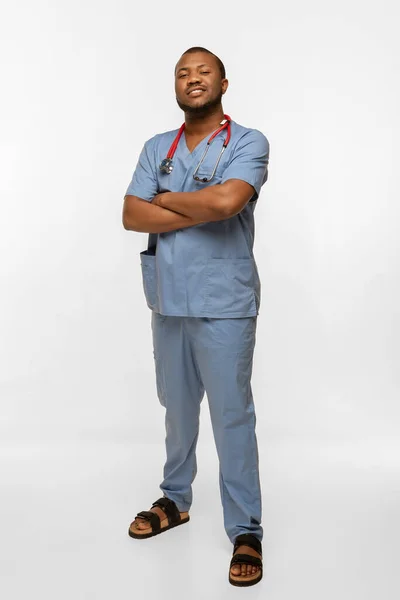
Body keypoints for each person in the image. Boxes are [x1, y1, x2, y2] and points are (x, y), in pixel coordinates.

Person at [122, 46, 269, 587]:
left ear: (224, 83)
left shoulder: (248, 142)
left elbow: (228, 202)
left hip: (224, 301)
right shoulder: (156, 147)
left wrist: (168, 200)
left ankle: (246, 528)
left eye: (203, 71)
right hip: (169, 300)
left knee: (231, 416)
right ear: (175, 87)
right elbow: (131, 213)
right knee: (177, 411)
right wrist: (194, 202)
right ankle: (176, 499)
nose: (193, 79)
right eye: (183, 73)